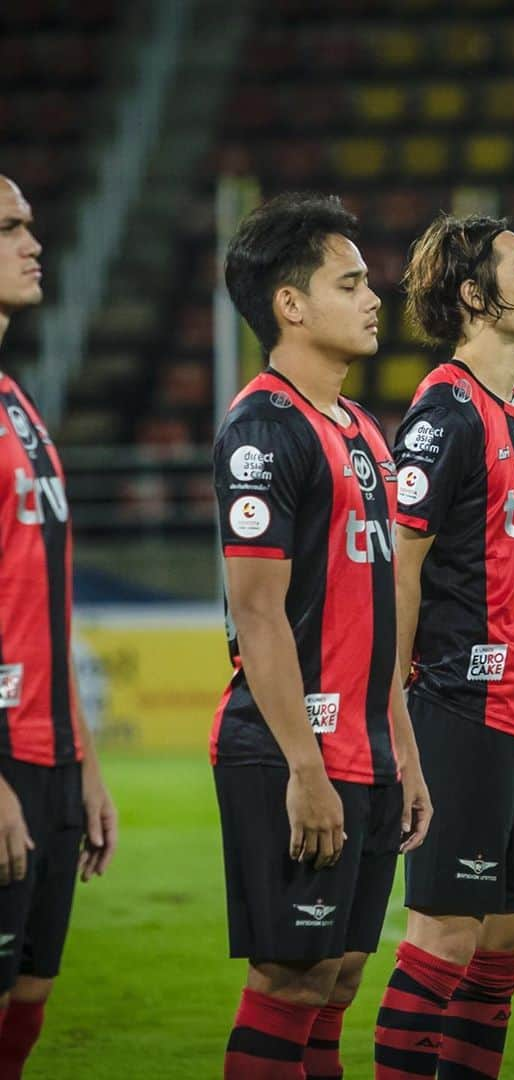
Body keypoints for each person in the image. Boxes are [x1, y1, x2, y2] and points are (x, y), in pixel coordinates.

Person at [213, 192, 431, 1080]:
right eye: (352, 283)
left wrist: (403, 751)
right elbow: (257, 614)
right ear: (291, 305)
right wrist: (305, 768)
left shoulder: (360, 431)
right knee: (290, 980)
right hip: (292, 751)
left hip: (368, 752)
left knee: (336, 980)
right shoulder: (262, 430)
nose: (375, 298)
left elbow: (375, 613)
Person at [373, 214, 514, 1080]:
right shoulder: (443, 412)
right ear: (476, 298)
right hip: (460, 703)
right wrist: (394, 709)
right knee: (445, 934)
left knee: (507, 940)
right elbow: (399, 573)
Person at [0, 175, 117, 1077]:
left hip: (51, 758)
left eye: (32, 225)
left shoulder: (20, 407)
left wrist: (86, 762)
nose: (34, 243)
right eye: (10, 228)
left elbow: (43, 605)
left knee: (31, 994)